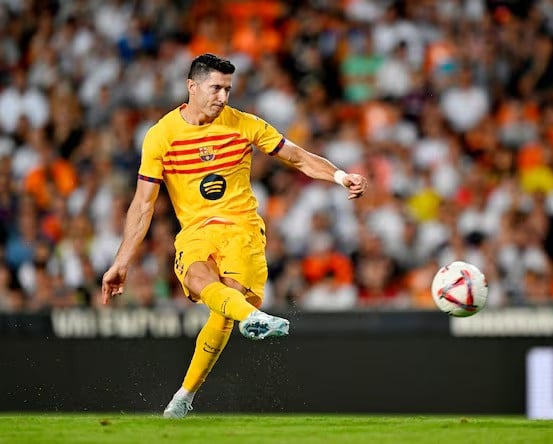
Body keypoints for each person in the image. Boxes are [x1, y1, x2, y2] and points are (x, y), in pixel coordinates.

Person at [100, 53, 368, 418]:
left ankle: (184, 396)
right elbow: (143, 205)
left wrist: (340, 177)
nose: (223, 97)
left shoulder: (243, 124)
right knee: (198, 277)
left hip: (242, 229)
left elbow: (298, 157)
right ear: (192, 87)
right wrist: (121, 261)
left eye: (227, 89)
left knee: (225, 307)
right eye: (216, 88)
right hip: (195, 231)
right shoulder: (161, 136)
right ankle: (250, 320)